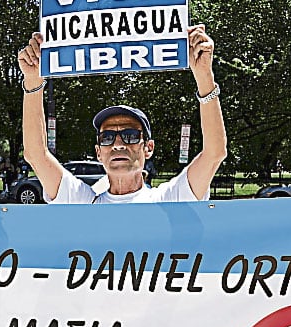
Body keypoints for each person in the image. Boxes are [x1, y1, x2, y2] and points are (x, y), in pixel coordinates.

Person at [17, 25, 227, 204]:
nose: (118, 144)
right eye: (107, 137)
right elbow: (36, 154)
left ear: (148, 148)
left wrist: (204, 76)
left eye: (130, 135)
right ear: (98, 152)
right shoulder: (82, 203)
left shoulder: (169, 200)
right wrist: (33, 82)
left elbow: (214, 152)